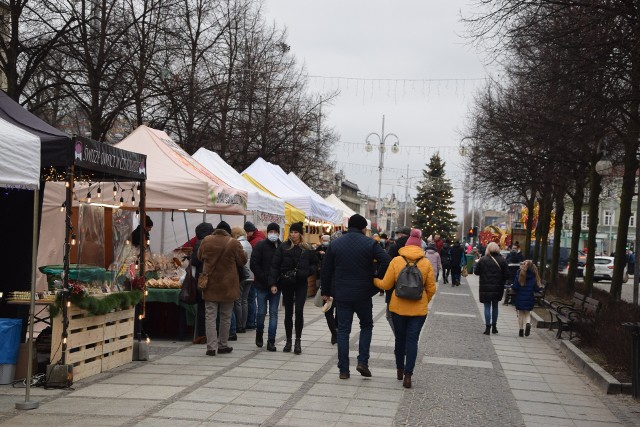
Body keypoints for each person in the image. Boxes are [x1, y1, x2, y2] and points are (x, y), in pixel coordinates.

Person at [321, 214, 391, 379]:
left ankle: (343, 370)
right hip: (363, 293)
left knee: (343, 331)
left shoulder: (335, 243)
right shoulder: (370, 243)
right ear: (363, 228)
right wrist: (375, 278)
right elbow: (387, 261)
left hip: (342, 294)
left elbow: (326, 269)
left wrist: (326, 291)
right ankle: (362, 362)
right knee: (366, 326)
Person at [373, 228, 436, 388]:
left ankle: (399, 370)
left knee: (399, 339)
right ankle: (409, 375)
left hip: (397, 308)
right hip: (418, 311)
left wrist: (374, 280)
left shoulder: (396, 261)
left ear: (406, 245)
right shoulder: (426, 263)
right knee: (412, 341)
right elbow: (431, 288)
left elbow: (386, 284)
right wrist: (423, 301)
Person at [197, 221, 247, 356]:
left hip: (210, 285)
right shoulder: (233, 243)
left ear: (216, 230)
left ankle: (211, 347)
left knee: (210, 316)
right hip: (228, 285)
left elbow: (199, 257)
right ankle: (223, 345)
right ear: (228, 231)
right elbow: (242, 261)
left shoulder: (206, 240)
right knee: (226, 316)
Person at [268, 222, 317, 354]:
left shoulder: (307, 248)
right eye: (292, 232)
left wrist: (306, 272)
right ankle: (289, 340)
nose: (293, 234)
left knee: (299, 311)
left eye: (296, 232)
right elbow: (275, 266)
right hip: (287, 282)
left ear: (300, 233)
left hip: (301, 282)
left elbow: (314, 264)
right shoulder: (283, 247)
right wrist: (273, 283)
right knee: (288, 312)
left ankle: (298, 341)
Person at [250, 222, 282, 351]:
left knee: (273, 313)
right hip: (261, 285)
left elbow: (283, 266)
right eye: (271, 232)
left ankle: (271, 341)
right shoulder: (260, 245)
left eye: (275, 232)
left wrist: (276, 281)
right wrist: (265, 278)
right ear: (267, 232)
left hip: (276, 286)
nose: (273, 234)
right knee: (261, 312)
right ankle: (259, 334)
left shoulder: (282, 247)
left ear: (278, 233)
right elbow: (254, 264)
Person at [474, 242, 509, 335]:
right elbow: (507, 275)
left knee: (487, 306)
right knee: (495, 306)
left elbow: (476, 272)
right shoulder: (502, 260)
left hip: (485, 286)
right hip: (498, 287)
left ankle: (487, 327)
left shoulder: (483, 260)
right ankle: (494, 327)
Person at [190, 222, 214, 344]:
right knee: (212, 309)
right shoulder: (214, 242)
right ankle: (213, 334)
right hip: (214, 278)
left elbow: (194, 261)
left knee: (202, 308)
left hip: (202, 279)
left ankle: (202, 334)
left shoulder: (200, 243)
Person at [384, 226, 411, 333]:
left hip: (394, 286)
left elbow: (386, 265)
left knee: (390, 315)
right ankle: (406, 339)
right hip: (411, 286)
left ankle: (400, 337)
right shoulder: (415, 248)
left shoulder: (394, 247)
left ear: (401, 235)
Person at [511, 260, 542, 337]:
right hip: (529, 297)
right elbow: (537, 289)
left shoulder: (519, 273)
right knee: (527, 313)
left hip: (520, 297)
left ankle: (521, 331)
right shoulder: (534, 275)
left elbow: (515, 287)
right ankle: (528, 323)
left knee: (521, 314)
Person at [231, 227, 253, 334]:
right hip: (250, 275)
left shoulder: (238, 244)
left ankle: (239, 325)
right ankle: (244, 325)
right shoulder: (248, 243)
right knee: (245, 300)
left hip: (241, 275)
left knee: (238, 301)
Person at [244, 221, 265, 330]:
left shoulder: (255, 241)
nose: (246, 235)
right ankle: (253, 321)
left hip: (252, 274)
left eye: (247, 232)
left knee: (251, 299)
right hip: (255, 274)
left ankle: (251, 322)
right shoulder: (259, 237)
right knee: (252, 299)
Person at [316, 234, 336, 344]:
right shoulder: (339, 254)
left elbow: (324, 273)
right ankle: (335, 332)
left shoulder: (329, 254)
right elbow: (324, 273)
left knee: (329, 311)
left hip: (333, 287)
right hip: (333, 287)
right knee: (330, 311)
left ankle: (334, 333)